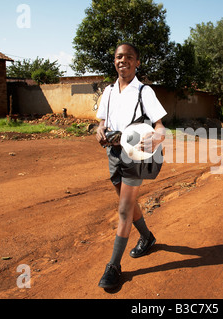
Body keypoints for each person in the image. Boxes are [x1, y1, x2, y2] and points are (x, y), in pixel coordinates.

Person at [95, 43, 167, 289]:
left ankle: (114, 266)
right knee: (128, 203)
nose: (123, 60)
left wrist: (156, 138)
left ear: (137, 62)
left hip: (135, 156)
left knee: (124, 210)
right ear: (114, 61)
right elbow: (101, 123)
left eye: (129, 57)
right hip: (113, 154)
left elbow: (160, 127)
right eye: (119, 56)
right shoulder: (108, 91)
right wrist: (99, 131)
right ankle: (147, 237)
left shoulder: (143, 91)